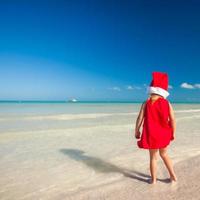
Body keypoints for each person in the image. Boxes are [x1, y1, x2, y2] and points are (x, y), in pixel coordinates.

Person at [135, 72, 177, 184]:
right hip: (164, 133)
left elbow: (140, 118)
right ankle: (173, 175)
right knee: (164, 154)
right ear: (163, 90)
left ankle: (153, 180)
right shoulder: (167, 103)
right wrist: (173, 132)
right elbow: (172, 119)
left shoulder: (146, 103)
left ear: (151, 89)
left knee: (153, 157)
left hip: (151, 135)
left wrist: (137, 130)